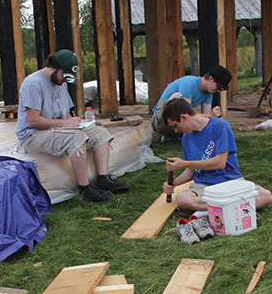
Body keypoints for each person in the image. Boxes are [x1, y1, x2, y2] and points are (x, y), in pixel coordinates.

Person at [16, 49, 128, 203]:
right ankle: (85, 188)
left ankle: (103, 178)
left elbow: (65, 115)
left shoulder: (60, 83)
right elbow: (33, 121)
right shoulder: (33, 84)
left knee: (100, 133)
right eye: (64, 76)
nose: (64, 81)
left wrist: (76, 122)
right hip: (33, 136)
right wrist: (66, 124)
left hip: (57, 129)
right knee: (77, 137)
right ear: (55, 67)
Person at [161, 98, 272, 242]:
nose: (176, 130)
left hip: (230, 181)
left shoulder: (220, 126)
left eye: (175, 125)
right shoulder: (186, 139)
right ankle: (228, 207)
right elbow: (190, 171)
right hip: (204, 187)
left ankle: (209, 210)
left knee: (266, 196)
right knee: (182, 199)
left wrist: (184, 163)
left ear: (184, 117)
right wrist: (173, 184)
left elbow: (220, 162)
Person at [151, 65, 232, 140]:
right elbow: (186, 114)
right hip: (159, 120)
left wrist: (215, 118)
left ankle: (173, 136)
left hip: (176, 121)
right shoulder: (189, 83)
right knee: (178, 97)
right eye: (218, 87)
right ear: (210, 79)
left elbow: (206, 120)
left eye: (221, 89)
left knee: (204, 121)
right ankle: (174, 134)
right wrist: (211, 115)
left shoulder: (209, 92)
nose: (218, 91)